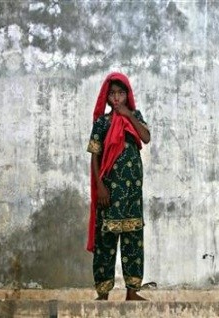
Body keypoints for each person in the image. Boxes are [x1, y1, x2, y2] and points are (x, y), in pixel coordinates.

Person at [86, 72, 150, 301]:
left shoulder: (136, 116)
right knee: (106, 242)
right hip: (110, 192)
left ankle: (132, 292)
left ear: (127, 95)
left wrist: (128, 116)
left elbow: (146, 137)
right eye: (112, 94)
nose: (116, 98)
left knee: (133, 239)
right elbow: (94, 156)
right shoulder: (101, 123)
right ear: (107, 96)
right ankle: (102, 294)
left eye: (121, 93)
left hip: (132, 191)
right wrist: (100, 187)